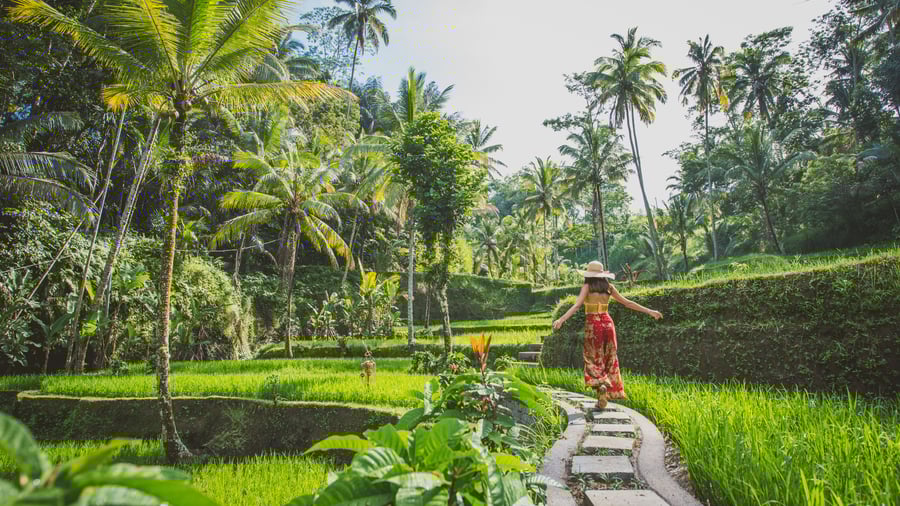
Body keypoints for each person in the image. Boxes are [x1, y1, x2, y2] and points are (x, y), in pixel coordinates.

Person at [552, 261, 662, 408]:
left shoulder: (587, 287)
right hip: (608, 324)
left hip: (593, 324)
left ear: (588, 275)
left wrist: (561, 319)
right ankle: (603, 396)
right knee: (609, 357)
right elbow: (628, 303)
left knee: (593, 358)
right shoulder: (609, 287)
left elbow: (577, 305)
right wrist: (650, 311)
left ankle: (601, 387)